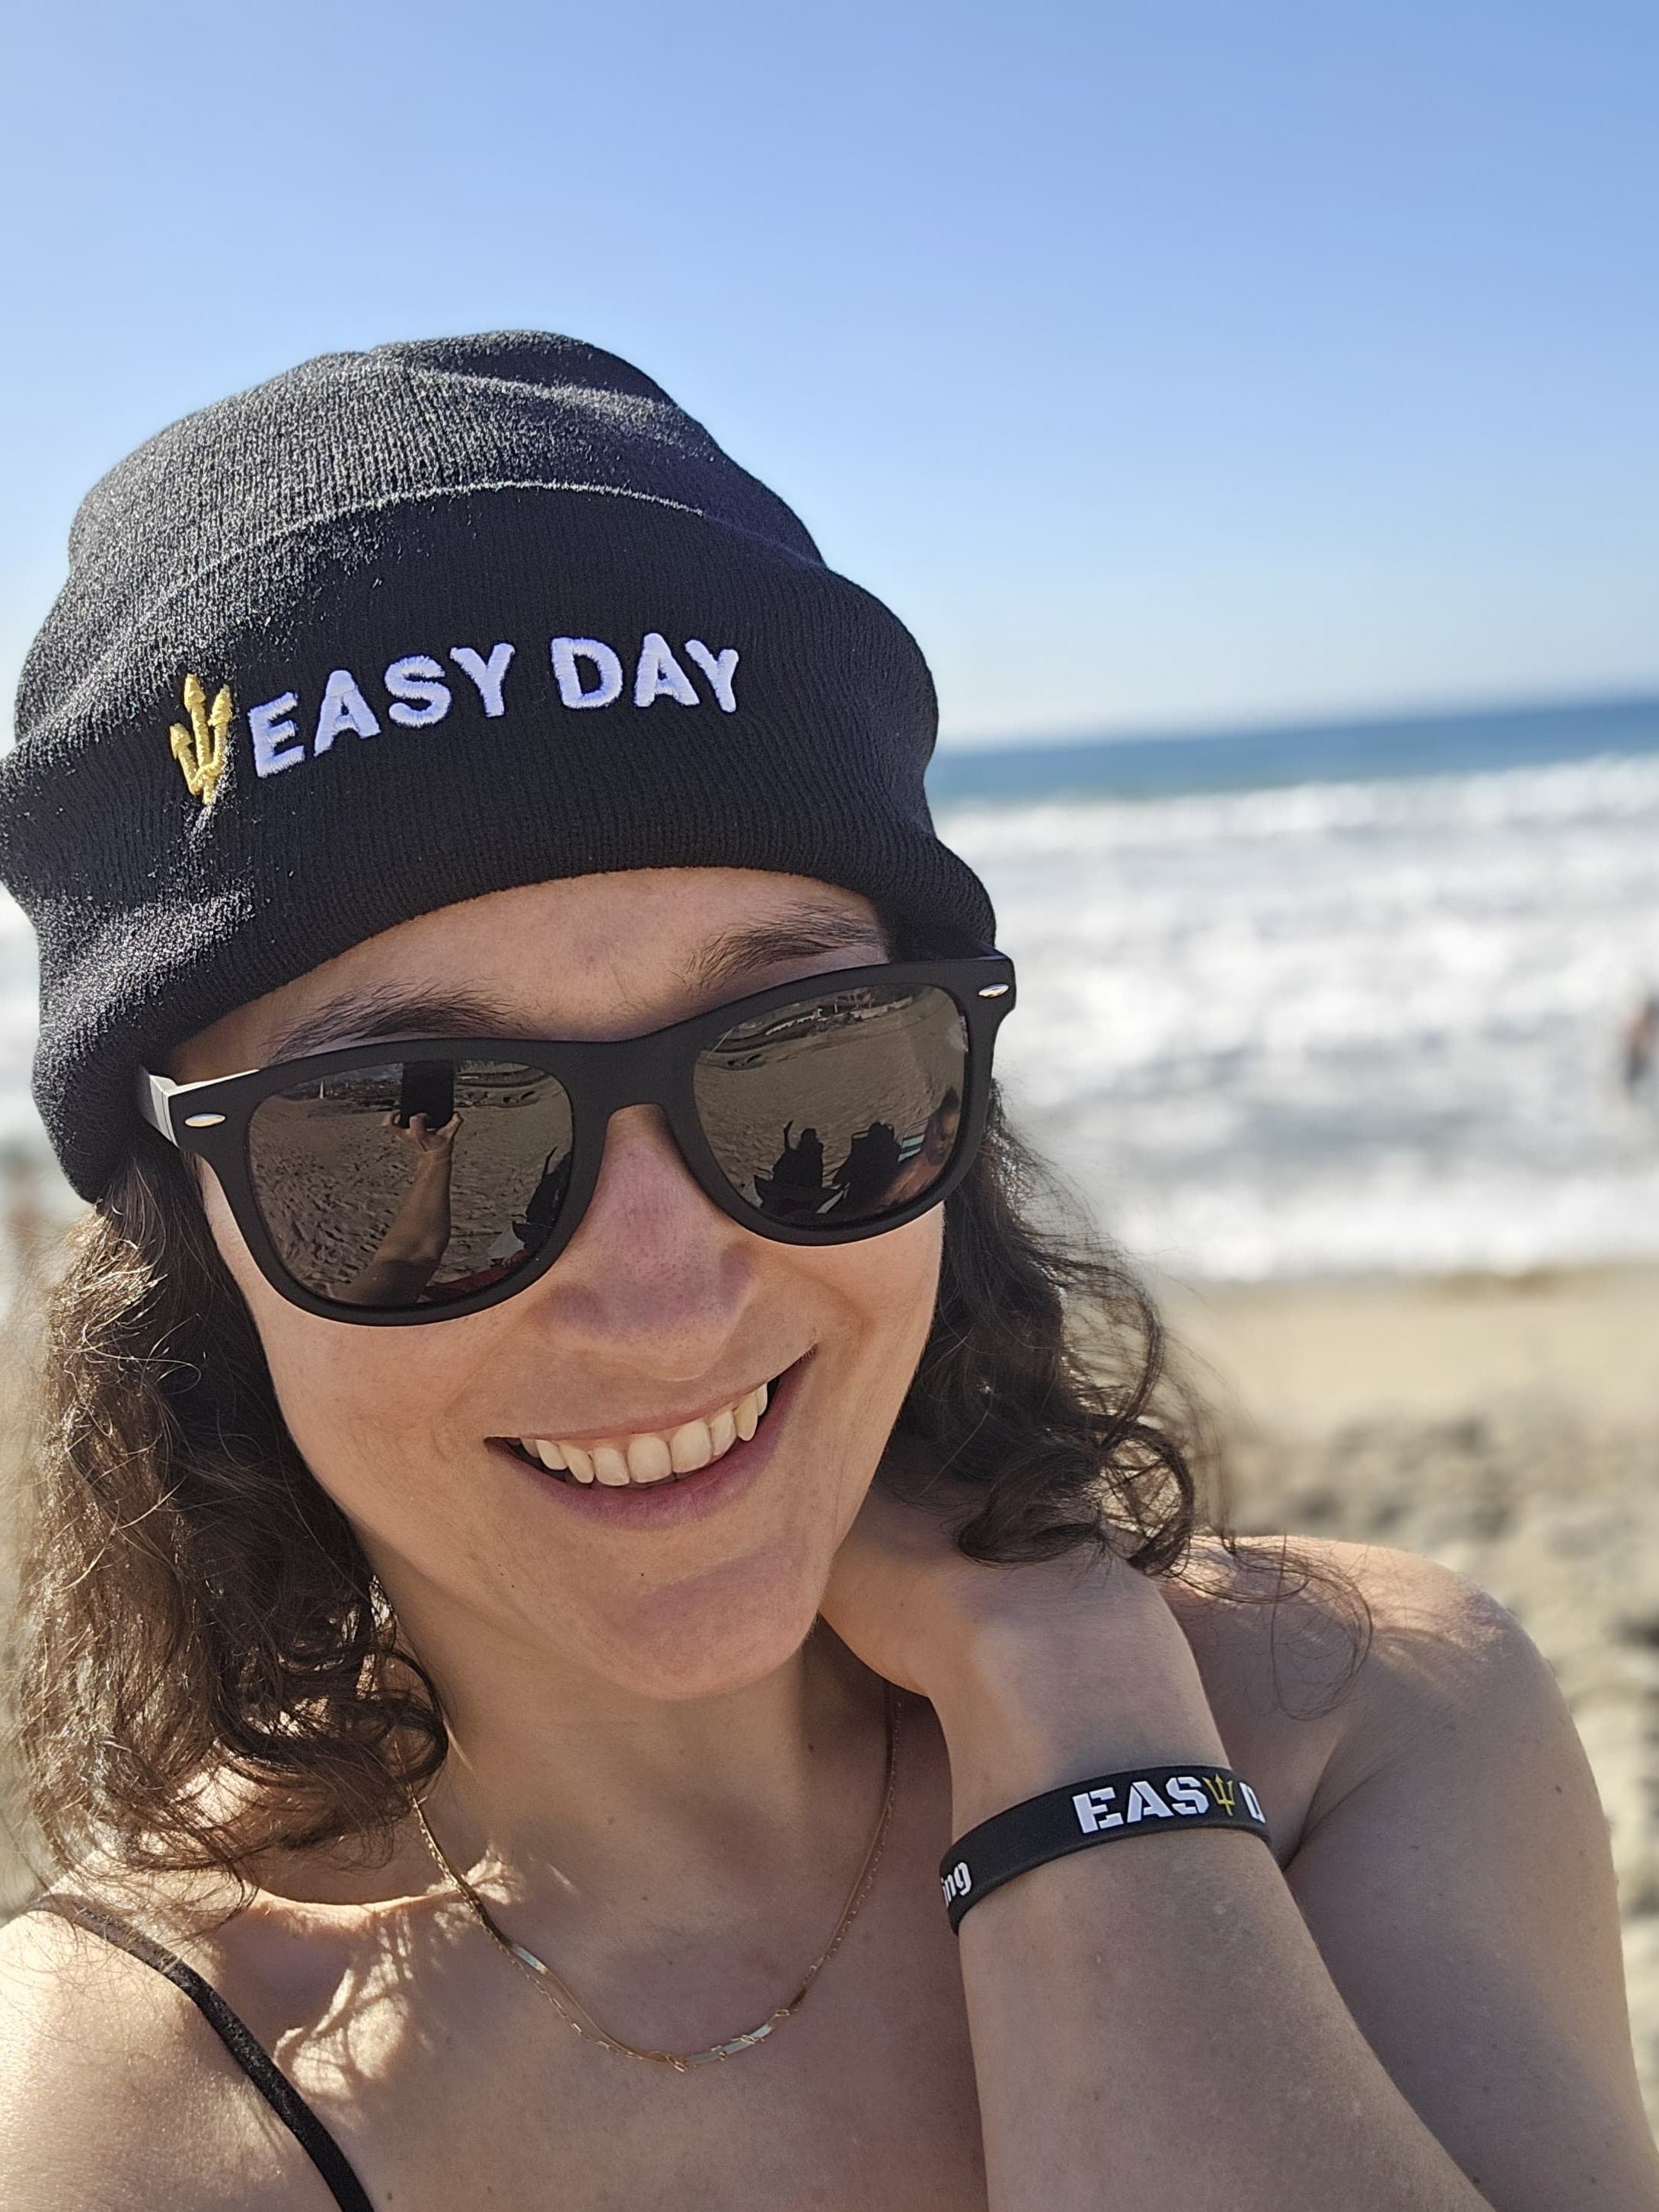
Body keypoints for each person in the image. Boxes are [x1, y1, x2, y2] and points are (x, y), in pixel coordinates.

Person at [0, 336, 1653, 2212]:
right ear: (191, 1239)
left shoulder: (1365, 1725)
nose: (665, 1293)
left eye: (804, 1065)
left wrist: (1081, 1721)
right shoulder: (134, 2109)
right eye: (410, 1134)